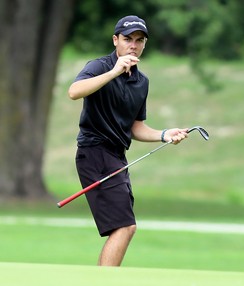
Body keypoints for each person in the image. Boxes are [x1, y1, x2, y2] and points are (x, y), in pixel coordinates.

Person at [68, 15, 188, 266]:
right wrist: (114, 72)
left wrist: (164, 134)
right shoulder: (100, 66)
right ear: (115, 41)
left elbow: (135, 126)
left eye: (139, 40)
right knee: (124, 227)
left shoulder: (141, 82)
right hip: (94, 152)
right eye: (127, 39)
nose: (133, 45)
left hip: (116, 157)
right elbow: (74, 91)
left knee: (124, 227)